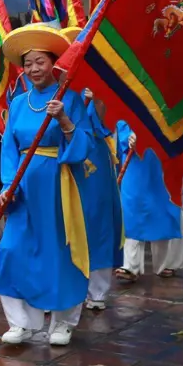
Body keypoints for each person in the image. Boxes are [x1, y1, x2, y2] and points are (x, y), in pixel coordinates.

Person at [0, 25, 91, 347]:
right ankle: (21, 322)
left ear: (54, 63)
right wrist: (9, 185)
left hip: (58, 186)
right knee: (10, 250)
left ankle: (64, 321)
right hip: (23, 186)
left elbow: (84, 146)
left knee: (60, 250)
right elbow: (9, 146)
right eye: (29, 63)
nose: (34, 69)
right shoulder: (19, 103)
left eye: (40, 62)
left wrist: (64, 121)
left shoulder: (70, 98)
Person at [114, 124, 183, 280]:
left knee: (163, 208)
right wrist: (127, 137)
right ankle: (130, 265)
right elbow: (121, 114)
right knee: (131, 206)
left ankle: (165, 263)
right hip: (135, 158)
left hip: (165, 155)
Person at [76, 87, 124, 311]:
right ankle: (59, 287)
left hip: (93, 155)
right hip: (58, 154)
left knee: (95, 217)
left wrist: (95, 96)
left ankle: (97, 289)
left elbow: (107, 116)